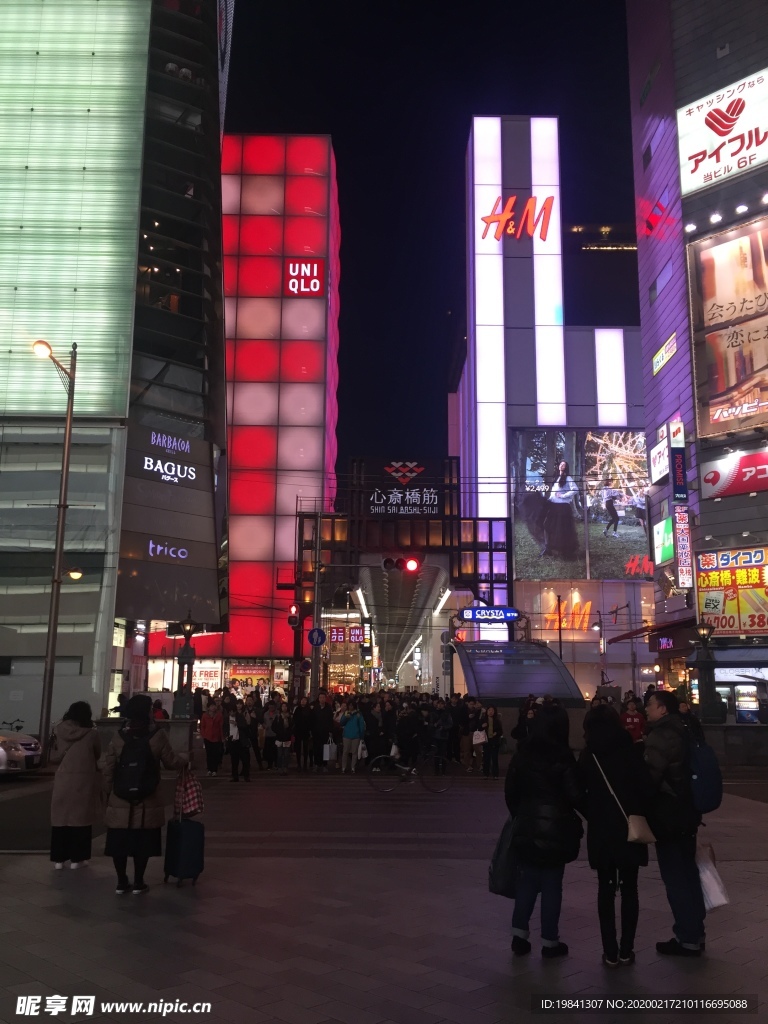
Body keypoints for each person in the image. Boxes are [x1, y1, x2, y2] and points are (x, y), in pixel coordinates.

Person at [577, 705, 654, 967]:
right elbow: (646, 788)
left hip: (601, 829)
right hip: (629, 825)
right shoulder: (631, 751)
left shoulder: (589, 755)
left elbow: (576, 792)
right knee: (630, 888)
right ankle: (626, 949)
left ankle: (609, 950)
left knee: (605, 888)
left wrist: (593, 811)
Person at [505, 707, 583, 958]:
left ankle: (519, 935)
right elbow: (575, 795)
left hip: (527, 823)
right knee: (552, 884)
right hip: (557, 828)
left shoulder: (523, 753)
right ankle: (550, 941)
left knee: (527, 881)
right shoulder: (563, 756)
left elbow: (511, 791)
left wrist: (521, 814)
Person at [102, 694, 187, 895]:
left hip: (120, 797)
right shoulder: (156, 736)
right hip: (147, 798)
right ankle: (139, 882)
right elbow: (170, 762)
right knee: (143, 842)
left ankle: (122, 882)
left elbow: (109, 768)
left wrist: (106, 794)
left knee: (119, 842)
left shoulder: (119, 736)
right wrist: (185, 761)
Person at [644, 691, 706, 956]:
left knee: (676, 876)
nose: (646, 709)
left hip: (669, 814)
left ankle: (687, 936)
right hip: (687, 812)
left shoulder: (662, 735)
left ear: (662, 709)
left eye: (649, 705)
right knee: (688, 873)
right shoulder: (684, 729)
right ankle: (694, 932)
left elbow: (651, 777)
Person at [49, 702, 102, 870]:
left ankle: (58, 859)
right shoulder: (91, 734)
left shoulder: (59, 729)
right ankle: (77, 858)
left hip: (63, 779)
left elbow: (55, 753)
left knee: (61, 819)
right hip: (83, 779)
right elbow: (97, 753)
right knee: (81, 820)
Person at [541, 461, 579, 558]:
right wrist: (548, 501)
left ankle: (563, 551)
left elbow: (575, 489)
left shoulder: (568, 478)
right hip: (554, 505)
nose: (561, 466)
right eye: (561, 464)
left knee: (562, 529)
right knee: (547, 525)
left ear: (566, 467)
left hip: (562, 506)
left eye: (564, 465)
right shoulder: (557, 478)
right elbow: (553, 493)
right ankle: (547, 548)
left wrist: (563, 495)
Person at [310, 693, 335, 773]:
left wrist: (330, 731)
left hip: (325, 732)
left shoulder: (328, 708)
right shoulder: (315, 708)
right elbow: (312, 720)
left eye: (323, 697)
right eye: (320, 697)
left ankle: (324, 765)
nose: (322, 699)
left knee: (325, 748)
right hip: (316, 732)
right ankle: (317, 764)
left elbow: (330, 721)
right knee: (316, 748)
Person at [340, 702, 366, 774]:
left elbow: (361, 725)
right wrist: (345, 717)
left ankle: (352, 767)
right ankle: (344, 767)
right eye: (349, 705)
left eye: (352, 705)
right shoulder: (347, 713)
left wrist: (361, 735)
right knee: (346, 752)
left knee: (353, 752)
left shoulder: (358, 714)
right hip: (348, 735)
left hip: (354, 735)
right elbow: (341, 722)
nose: (350, 707)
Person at [200, 698, 223, 775]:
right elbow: (202, 726)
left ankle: (214, 770)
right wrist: (203, 734)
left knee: (215, 754)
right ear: (208, 707)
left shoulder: (219, 715)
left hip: (216, 737)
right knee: (209, 754)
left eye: (214, 706)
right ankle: (209, 769)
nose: (213, 707)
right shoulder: (205, 716)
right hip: (208, 737)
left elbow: (221, 726)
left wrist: (222, 737)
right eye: (211, 706)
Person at [480, 705, 503, 779]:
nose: (490, 712)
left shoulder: (497, 720)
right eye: (489, 710)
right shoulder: (483, 719)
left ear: (494, 712)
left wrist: (496, 733)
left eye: (492, 710)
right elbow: (478, 728)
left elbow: (500, 731)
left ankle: (495, 774)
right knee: (486, 758)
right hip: (486, 741)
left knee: (494, 758)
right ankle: (485, 774)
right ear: (486, 711)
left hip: (495, 741)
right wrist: (482, 726)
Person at [293, 696, 313, 771]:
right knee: (298, 748)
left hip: (306, 731)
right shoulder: (297, 709)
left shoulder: (309, 710)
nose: (303, 701)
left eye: (305, 700)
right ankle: (298, 763)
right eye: (302, 700)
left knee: (305, 748)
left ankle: (305, 763)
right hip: (298, 731)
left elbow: (311, 720)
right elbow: (294, 719)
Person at [272, 704, 294, 775]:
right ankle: (279, 767)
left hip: (287, 738)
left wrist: (289, 732)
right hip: (279, 738)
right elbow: (273, 726)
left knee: (286, 754)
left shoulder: (290, 716)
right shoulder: (278, 716)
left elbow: (292, 726)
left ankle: (285, 767)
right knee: (279, 754)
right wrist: (278, 732)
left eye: (285, 706)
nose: (284, 708)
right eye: (283, 706)